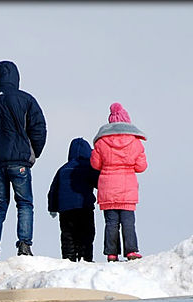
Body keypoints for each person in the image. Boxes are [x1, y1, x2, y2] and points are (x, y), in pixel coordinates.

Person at [0, 60, 47, 259]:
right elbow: (39, 129)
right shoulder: (26, 99)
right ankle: (24, 245)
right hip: (19, 161)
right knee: (24, 204)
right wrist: (33, 153)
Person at [90, 102, 148, 262]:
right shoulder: (135, 142)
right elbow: (141, 166)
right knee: (128, 221)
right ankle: (131, 251)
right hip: (127, 187)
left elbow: (95, 164)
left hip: (107, 187)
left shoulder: (101, 142)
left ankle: (111, 253)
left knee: (111, 222)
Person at [47, 138, 100, 262]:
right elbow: (99, 182)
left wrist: (52, 208)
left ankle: (68, 259)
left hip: (65, 209)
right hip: (84, 207)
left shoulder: (63, 169)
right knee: (87, 233)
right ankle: (85, 257)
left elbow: (53, 190)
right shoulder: (89, 167)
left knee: (68, 235)